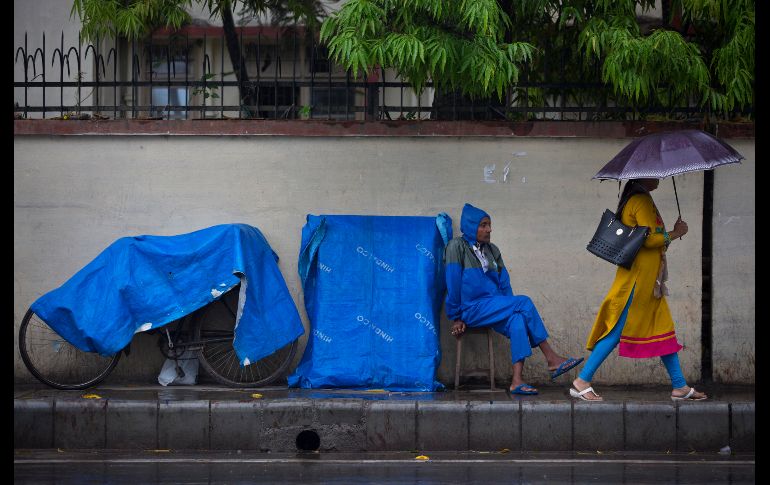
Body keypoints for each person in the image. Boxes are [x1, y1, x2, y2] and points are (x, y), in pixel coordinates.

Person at [570, 178, 707, 401]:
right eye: (655, 174)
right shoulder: (641, 200)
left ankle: (679, 386)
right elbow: (649, 240)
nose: (659, 178)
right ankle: (582, 380)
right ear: (643, 176)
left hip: (647, 281)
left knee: (664, 329)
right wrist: (675, 232)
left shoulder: (637, 199)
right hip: (639, 282)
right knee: (616, 331)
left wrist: (670, 234)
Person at [444, 203, 583, 394]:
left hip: (494, 306)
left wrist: (511, 307)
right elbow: (452, 283)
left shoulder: (492, 250)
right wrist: (456, 316)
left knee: (517, 319)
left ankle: (517, 381)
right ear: (470, 226)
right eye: (483, 225)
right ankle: (551, 358)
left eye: (489, 225)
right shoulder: (456, 247)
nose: (489, 229)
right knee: (524, 301)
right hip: (471, 308)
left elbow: (504, 283)